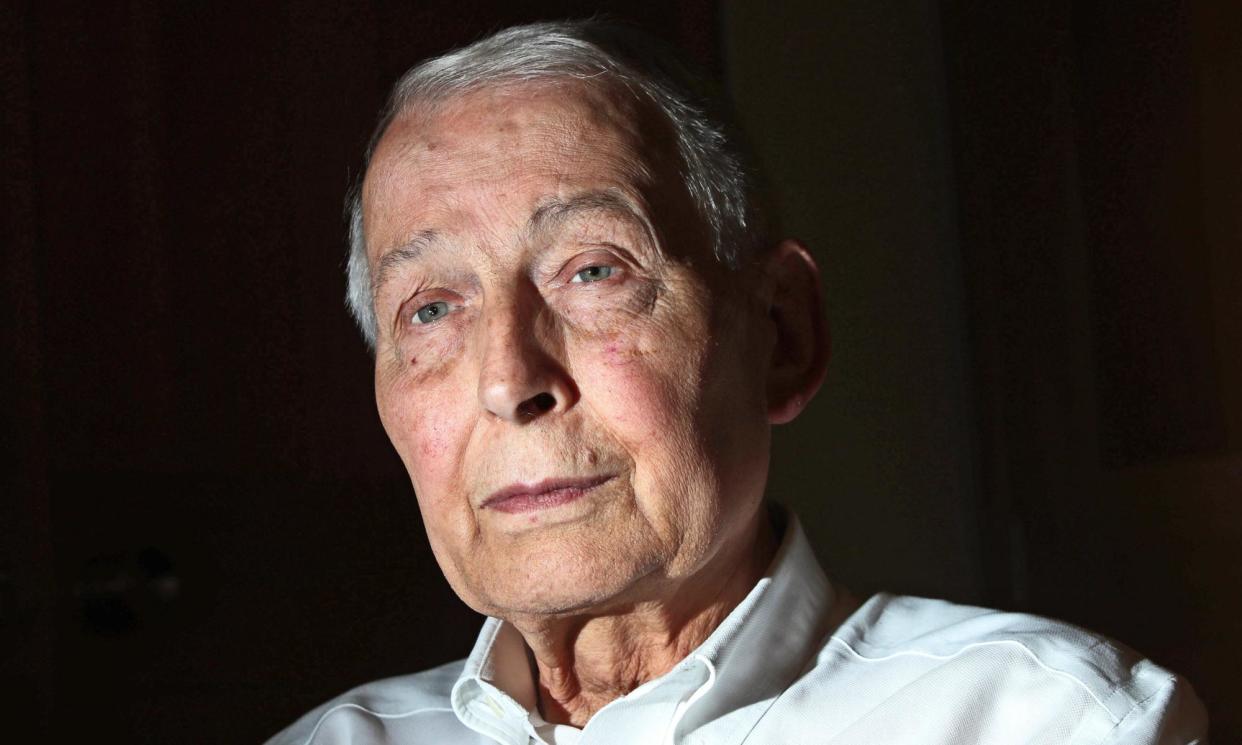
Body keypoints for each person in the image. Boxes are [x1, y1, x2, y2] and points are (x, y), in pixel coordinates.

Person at [268, 19, 1207, 745]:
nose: (512, 380)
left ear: (783, 332)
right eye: (429, 309)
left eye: (593, 271)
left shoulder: (1049, 721)